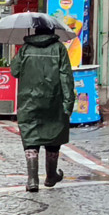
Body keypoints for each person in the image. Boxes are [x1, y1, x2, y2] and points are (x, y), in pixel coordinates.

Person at [10, 24, 75, 192]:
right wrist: (68, 102)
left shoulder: (25, 49)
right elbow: (66, 76)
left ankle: (32, 180)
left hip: (29, 100)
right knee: (53, 136)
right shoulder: (59, 48)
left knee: (31, 137)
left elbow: (15, 71)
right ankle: (51, 176)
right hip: (54, 100)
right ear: (52, 32)